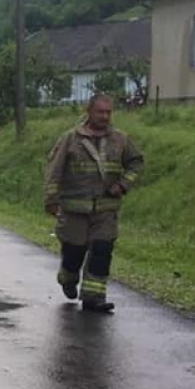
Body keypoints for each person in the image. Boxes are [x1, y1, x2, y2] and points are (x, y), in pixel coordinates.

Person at [44, 94, 143, 312]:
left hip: (106, 210)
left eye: (108, 112)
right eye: (100, 112)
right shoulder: (70, 139)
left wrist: (123, 185)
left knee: (102, 251)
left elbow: (136, 164)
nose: (105, 116)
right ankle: (67, 278)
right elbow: (54, 170)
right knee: (74, 252)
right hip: (74, 210)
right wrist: (51, 199)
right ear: (89, 112)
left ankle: (93, 297)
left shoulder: (121, 140)